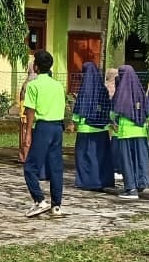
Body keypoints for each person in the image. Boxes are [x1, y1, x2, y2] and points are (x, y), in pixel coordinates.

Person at [23, 50, 67, 218]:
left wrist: (28, 133)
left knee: (30, 167)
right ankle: (57, 205)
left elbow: (30, 111)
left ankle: (39, 200)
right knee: (56, 167)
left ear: (35, 66)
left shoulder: (33, 85)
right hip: (57, 127)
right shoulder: (58, 85)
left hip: (43, 127)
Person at [71, 62, 114, 191]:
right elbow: (108, 108)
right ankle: (102, 181)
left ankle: (86, 181)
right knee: (100, 156)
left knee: (84, 157)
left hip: (85, 128)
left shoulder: (84, 89)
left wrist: (74, 122)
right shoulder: (103, 89)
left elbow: (79, 109)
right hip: (101, 128)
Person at [109, 65, 149, 200]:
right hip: (141, 132)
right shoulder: (140, 91)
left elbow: (114, 113)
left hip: (126, 132)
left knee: (127, 161)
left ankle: (131, 188)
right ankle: (141, 182)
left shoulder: (121, 92)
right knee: (140, 159)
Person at [17, 63, 38, 164]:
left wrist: (22, 113)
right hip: (36, 114)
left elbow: (23, 99)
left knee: (25, 135)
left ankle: (24, 156)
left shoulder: (28, 82)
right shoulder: (38, 80)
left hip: (26, 113)